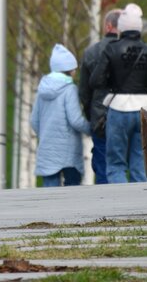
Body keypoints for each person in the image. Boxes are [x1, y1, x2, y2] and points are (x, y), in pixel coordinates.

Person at [89, 3, 147, 183]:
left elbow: (95, 81)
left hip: (118, 108)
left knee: (116, 164)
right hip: (144, 109)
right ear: (139, 29)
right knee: (140, 163)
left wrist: (113, 83)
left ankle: (119, 205)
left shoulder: (111, 49)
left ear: (121, 28)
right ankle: (140, 207)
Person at [30, 44, 91, 187]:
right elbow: (75, 120)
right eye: (74, 68)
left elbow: (34, 120)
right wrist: (91, 129)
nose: (75, 71)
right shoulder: (69, 89)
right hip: (69, 150)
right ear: (69, 70)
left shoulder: (41, 90)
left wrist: (45, 134)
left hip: (48, 149)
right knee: (72, 193)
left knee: (50, 194)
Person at [78, 8, 121, 184]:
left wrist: (91, 117)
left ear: (108, 26)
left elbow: (84, 92)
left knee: (103, 166)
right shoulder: (135, 52)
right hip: (129, 113)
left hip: (100, 118)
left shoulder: (91, 52)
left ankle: (106, 208)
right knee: (131, 163)